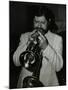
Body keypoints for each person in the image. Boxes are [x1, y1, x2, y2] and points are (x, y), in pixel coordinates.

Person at [13, 6, 63, 87]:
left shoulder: (57, 39)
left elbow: (58, 67)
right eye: (36, 22)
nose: (39, 26)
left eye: (42, 23)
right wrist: (27, 43)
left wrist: (46, 47)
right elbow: (16, 62)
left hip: (47, 83)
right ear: (33, 20)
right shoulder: (25, 36)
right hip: (26, 82)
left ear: (49, 21)